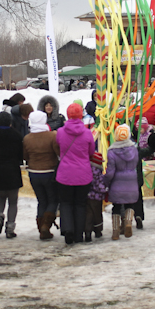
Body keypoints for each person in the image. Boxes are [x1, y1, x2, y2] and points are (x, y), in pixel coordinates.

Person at [55, 103, 95, 244]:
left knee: (65, 203)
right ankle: (78, 235)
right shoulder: (87, 133)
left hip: (64, 174)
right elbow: (91, 152)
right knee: (80, 204)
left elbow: (59, 146)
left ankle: (67, 231)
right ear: (80, 115)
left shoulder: (60, 132)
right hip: (83, 174)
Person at [23, 110, 60, 240]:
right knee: (53, 200)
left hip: (33, 173)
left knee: (41, 201)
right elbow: (58, 152)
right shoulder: (52, 136)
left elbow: (25, 156)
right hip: (49, 171)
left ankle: (41, 227)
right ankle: (46, 225)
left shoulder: (27, 138)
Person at [104, 124, 139, 239]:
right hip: (132, 181)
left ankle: (115, 230)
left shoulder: (112, 151)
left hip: (117, 183)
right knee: (130, 204)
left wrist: (106, 181)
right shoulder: (134, 149)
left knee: (116, 207)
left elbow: (110, 172)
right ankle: (128, 222)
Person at [85, 151, 107, 241]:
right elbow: (99, 185)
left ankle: (87, 232)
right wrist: (105, 189)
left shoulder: (86, 169)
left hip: (87, 196)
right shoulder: (97, 172)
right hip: (96, 198)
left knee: (88, 215)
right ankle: (98, 231)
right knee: (97, 215)